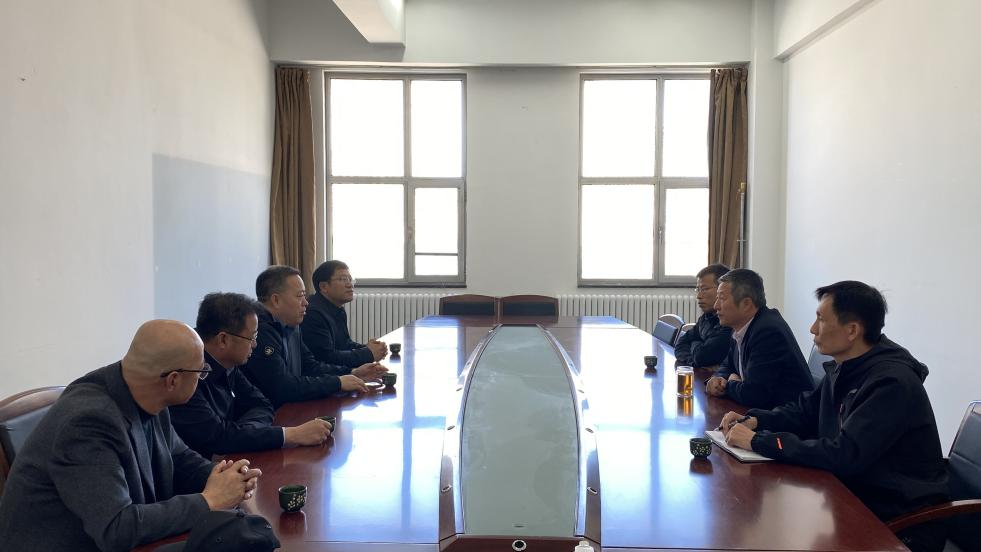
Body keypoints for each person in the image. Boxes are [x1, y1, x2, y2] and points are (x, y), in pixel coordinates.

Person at [721, 281, 948, 552]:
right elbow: (804, 411)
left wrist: (758, 441)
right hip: (853, 497)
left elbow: (844, 455)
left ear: (852, 330)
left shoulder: (891, 383)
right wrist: (756, 420)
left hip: (897, 521)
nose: (812, 328)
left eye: (821, 319)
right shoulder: (847, 366)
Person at [0, 320, 262, 552]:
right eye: (201, 372)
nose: (202, 378)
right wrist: (210, 500)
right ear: (172, 380)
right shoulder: (88, 423)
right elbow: (116, 528)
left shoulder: (145, 388)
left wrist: (224, 477)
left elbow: (179, 457)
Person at [169, 293, 333, 459]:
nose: (255, 344)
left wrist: (242, 434)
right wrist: (291, 435)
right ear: (223, 340)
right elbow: (217, 437)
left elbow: (262, 404)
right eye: (252, 337)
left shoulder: (229, 363)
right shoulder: (187, 374)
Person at [240, 265, 387, 408]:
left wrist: (352, 373)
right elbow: (283, 387)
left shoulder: (291, 323)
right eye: (300, 296)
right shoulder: (260, 331)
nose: (306, 303)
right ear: (276, 300)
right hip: (268, 413)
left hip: (290, 406)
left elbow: (310, 366)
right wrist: (337, 382)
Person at [705, 268, 813, 408]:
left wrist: (730, 384)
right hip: (764, 412)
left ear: (746, 304)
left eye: (722, 298)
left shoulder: (768, 332)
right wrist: (717, 379)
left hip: (789, 416)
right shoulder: (740, 326)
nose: (716, 306)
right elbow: (728, 364)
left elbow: (753, 395)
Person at [301, 260, 387, 367]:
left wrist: (369, 349)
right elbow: (327, 358)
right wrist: (368, 353)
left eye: (350, 279)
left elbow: (345, 345)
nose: (350, 285)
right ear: (323, 287)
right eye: (343, 279)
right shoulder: (312, 314)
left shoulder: (338, 308)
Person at [674, 264, 732, 368]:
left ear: (722, 289)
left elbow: (702, 357)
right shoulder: (706, 317)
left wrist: (695, 342)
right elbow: (680, 344)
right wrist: (693, 362)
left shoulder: (729, 321)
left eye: (704, 289)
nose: (699, 296)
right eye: (698, 289)